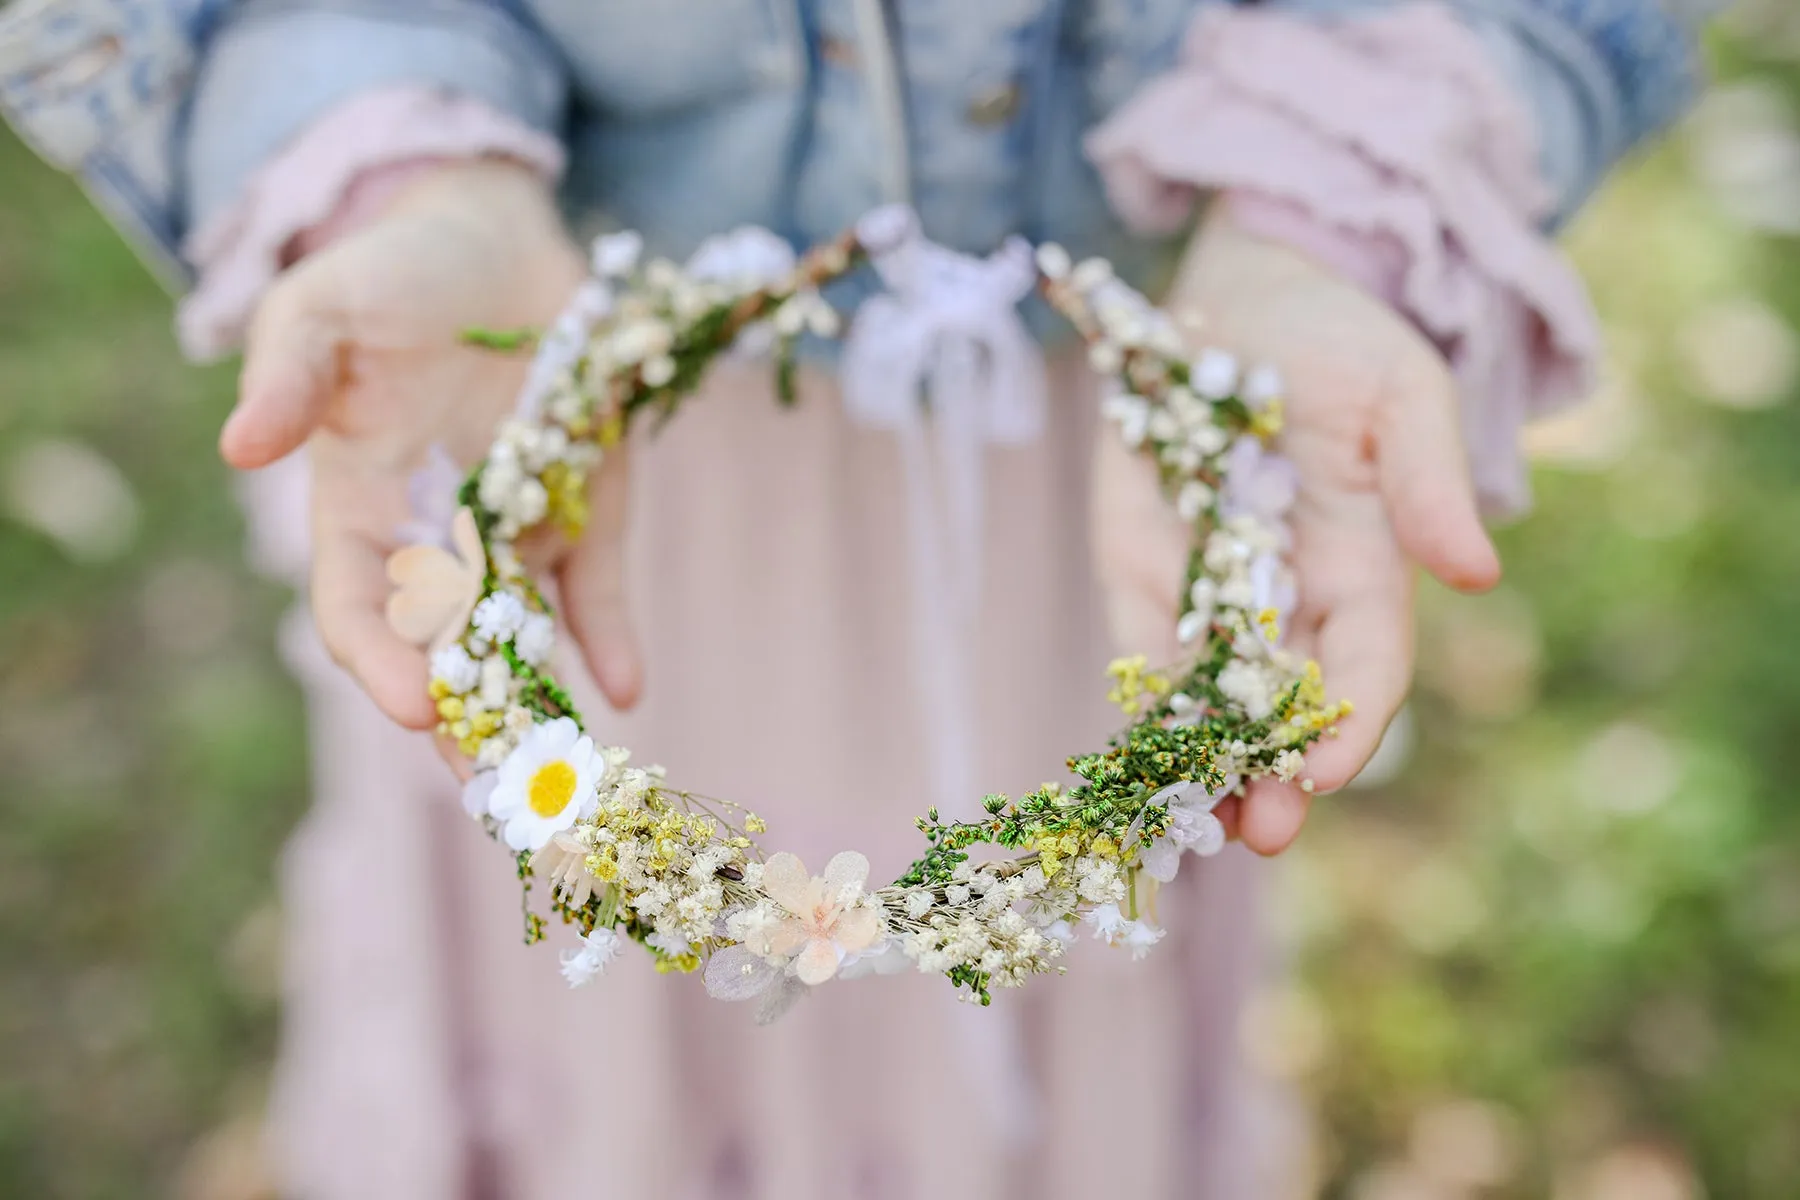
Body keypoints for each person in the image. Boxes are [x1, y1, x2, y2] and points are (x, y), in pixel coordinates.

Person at [0, 1, 1717, 1196]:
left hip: (1105, 446)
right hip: (545, 405)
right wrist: (404, 173)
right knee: (606, 1084)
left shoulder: (1166, 502)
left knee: (1058, 1048)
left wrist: (1323, 232)